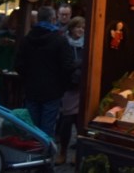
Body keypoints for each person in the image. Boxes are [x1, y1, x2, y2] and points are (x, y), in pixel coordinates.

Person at [14, 5, 74, 138]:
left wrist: (27, 78)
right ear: (53, 19)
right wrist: (62, 85)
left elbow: (18, 65)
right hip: (52, 90)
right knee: (48, 127)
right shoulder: (60, 40)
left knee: (32, 127)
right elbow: (67, 66)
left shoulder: (26, 40)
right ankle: (45, 155)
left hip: (32, 89)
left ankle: (31, 154)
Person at [56, 16, 85, 165]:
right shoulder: (64, 43)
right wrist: (77, 64)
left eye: (82, 27)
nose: (80, 30)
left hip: (81, 87)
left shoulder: (86, 44)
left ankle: (77, 154)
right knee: (66, 121)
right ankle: (63, 152)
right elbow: (63, 64)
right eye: (77, 27)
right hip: (68, 87)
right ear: (71, 28)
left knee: (79, 121)